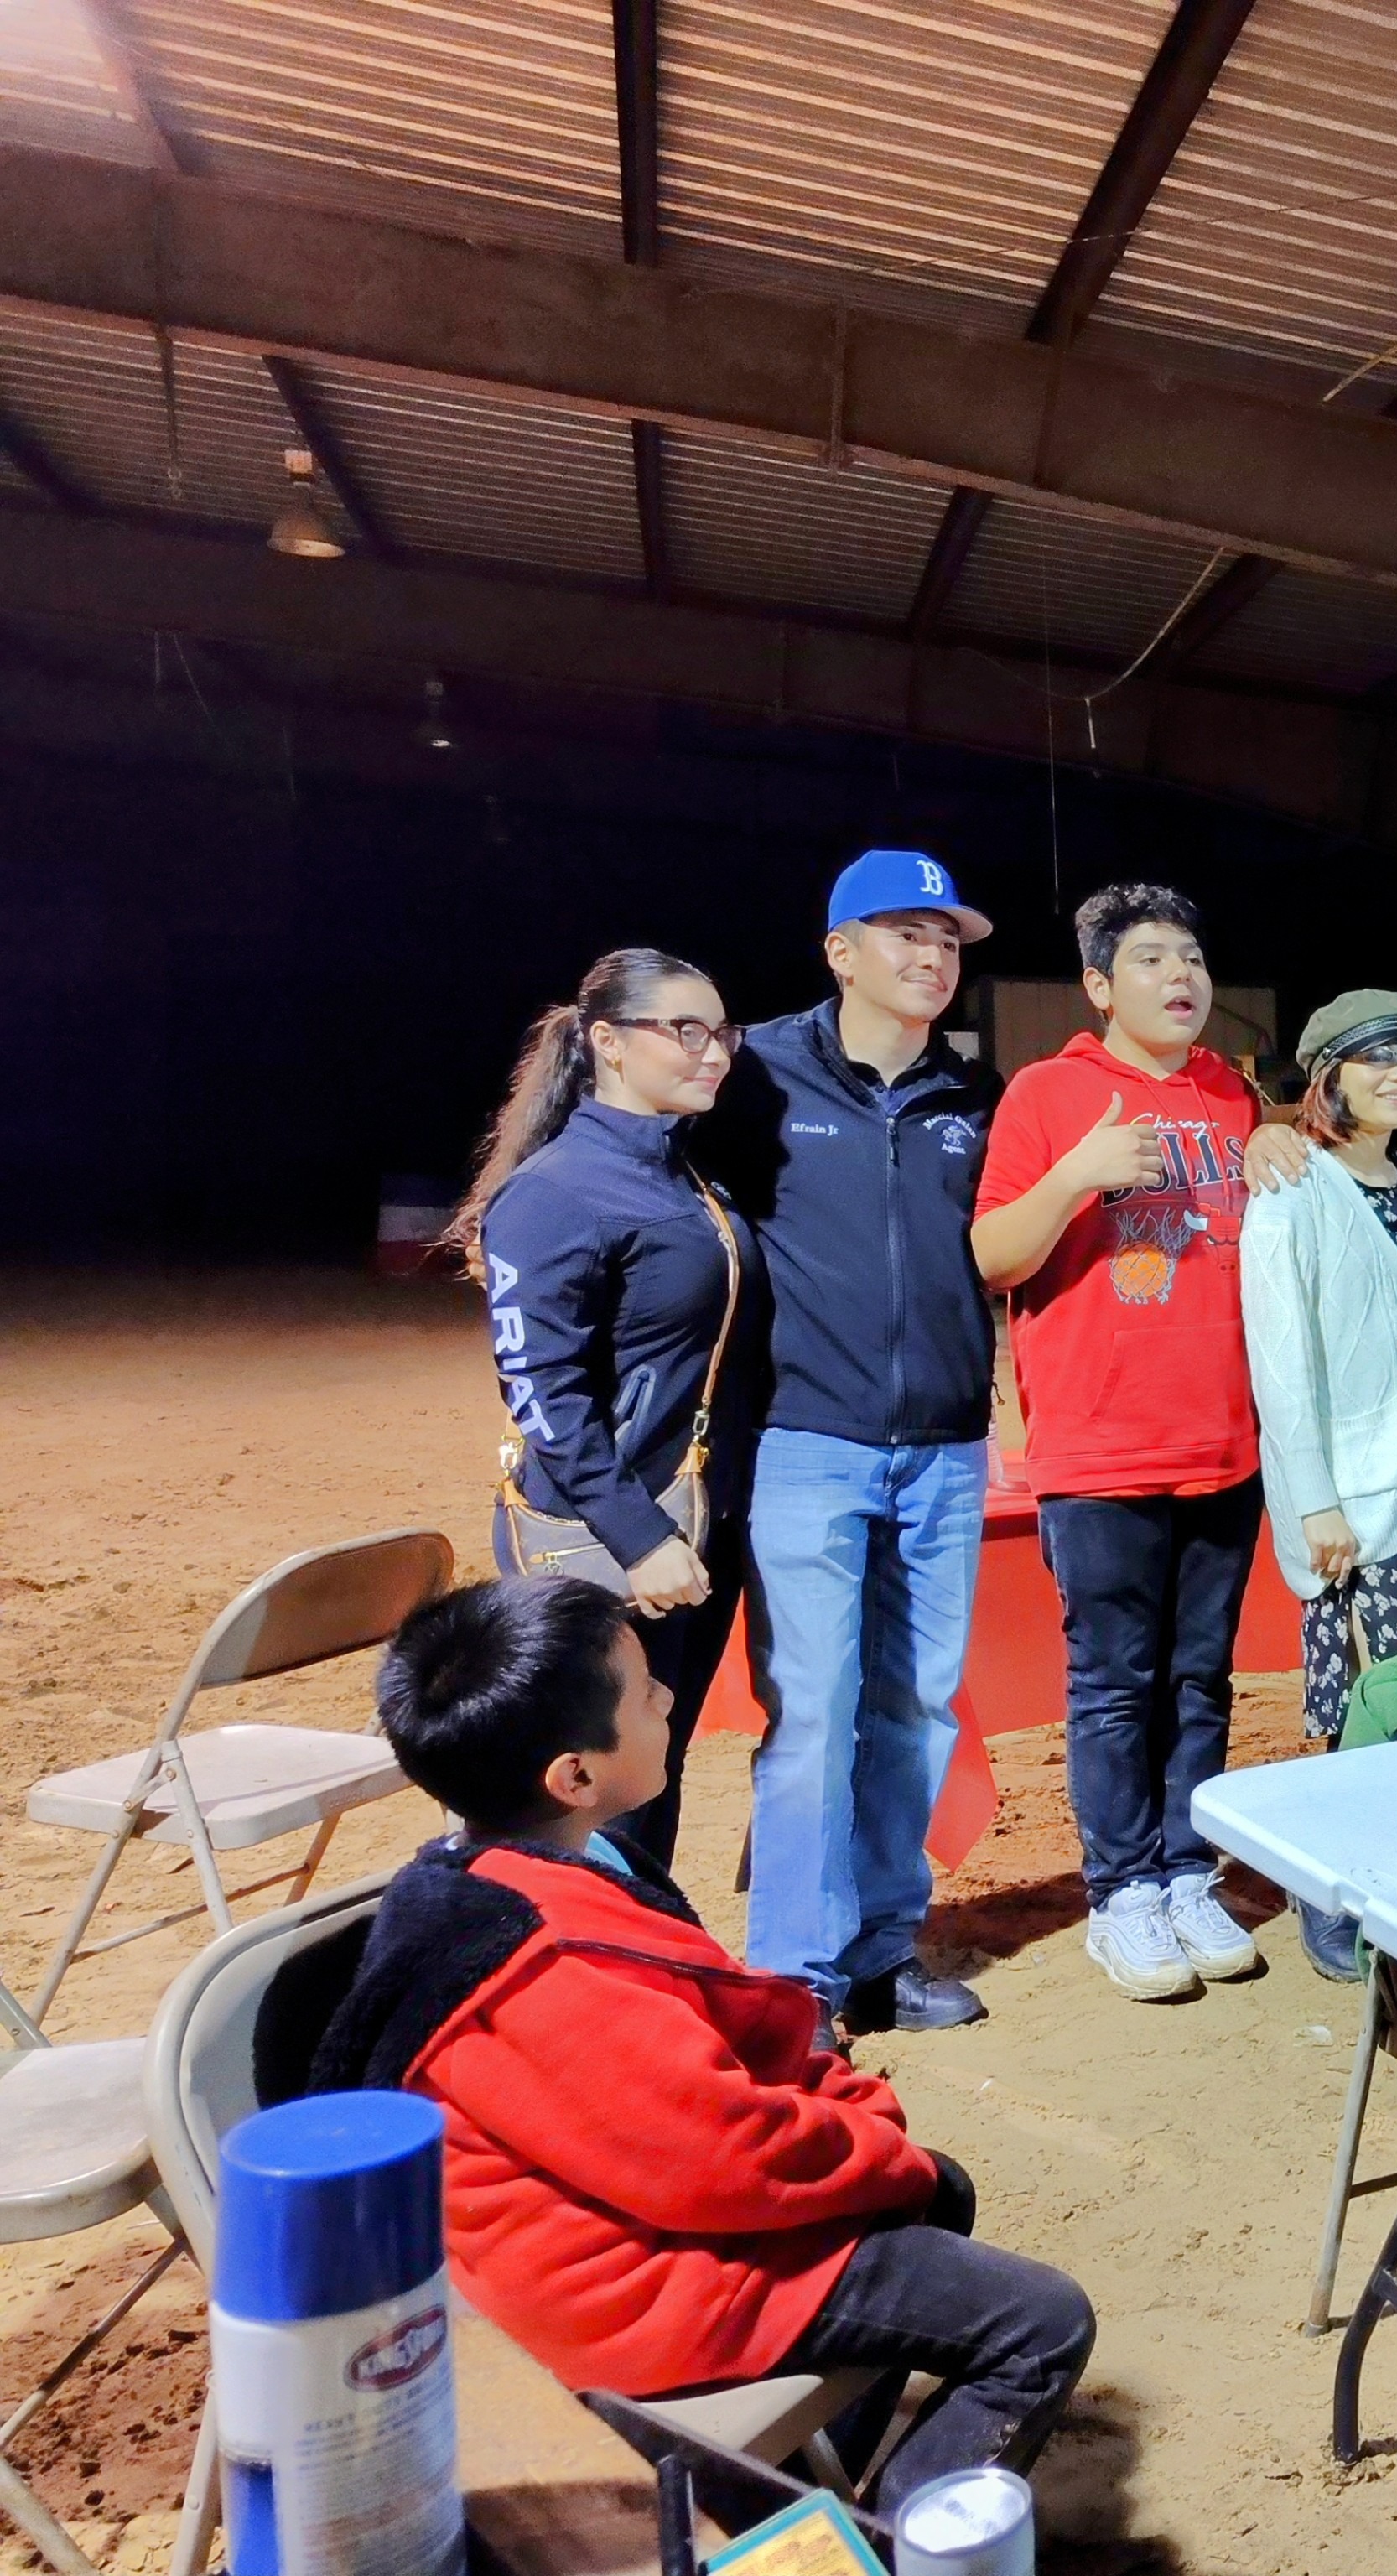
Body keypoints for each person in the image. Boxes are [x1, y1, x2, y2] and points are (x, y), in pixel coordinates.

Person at [300, 1576, 1093, 2503]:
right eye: (645, 1693)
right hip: (610, 2291)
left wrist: (846, 2119)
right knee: (1039, 2323)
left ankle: (789, 2485)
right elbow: (718, 2158)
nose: (669, 1697)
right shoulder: (544, 1968)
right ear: (575, 1777)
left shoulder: (524, 1863)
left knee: (932, 2190)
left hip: (617, 2217)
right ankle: (876, 2549)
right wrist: (868, 2127)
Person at [694, 849, 999, 2041]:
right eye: (906, 933)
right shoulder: (756, 1076)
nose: (933, 956)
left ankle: (881, 1950)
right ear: (840, 952)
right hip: (805, 1442)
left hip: (947, 1449)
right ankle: (796, 1978)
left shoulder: (973, 1095)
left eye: (948, 939)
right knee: (814, 1714)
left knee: (918, 1709)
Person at [973, 882, 1266, 2003]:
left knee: (1201, 1678)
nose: (1179, 976)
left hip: (1223, 1441)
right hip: (1100, 1447)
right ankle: (1124, 1892)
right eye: (1149, 958)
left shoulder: (1230, 1094)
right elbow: (992, 1255)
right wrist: (1076, 1175)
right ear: (1099, 985)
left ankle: (1189, 1872)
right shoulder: (1048, 1094)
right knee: (1113, 1684)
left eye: (1190, 956)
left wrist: (1280, 1142)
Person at [454, 947, 756, 1872]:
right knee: (594, 1790)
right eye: (686, 1031)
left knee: (652, 1773)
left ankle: (635, 1943)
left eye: (723, 1033)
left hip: (696, 1525)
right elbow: (540, 1391)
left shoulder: (683, 1172)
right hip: (615, 1543)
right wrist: (639, 1537)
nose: (713, 1053)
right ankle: (567, 1946)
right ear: (607, 1042)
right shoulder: (554, 1192)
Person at [1239, 990, 1397, 1743]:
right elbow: (1279, 1358)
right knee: (1382, 1721)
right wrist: (1312, 1501)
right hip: (1348, 1501)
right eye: (1377, 1057)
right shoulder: (1290, 1189)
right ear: (1330, 1076)